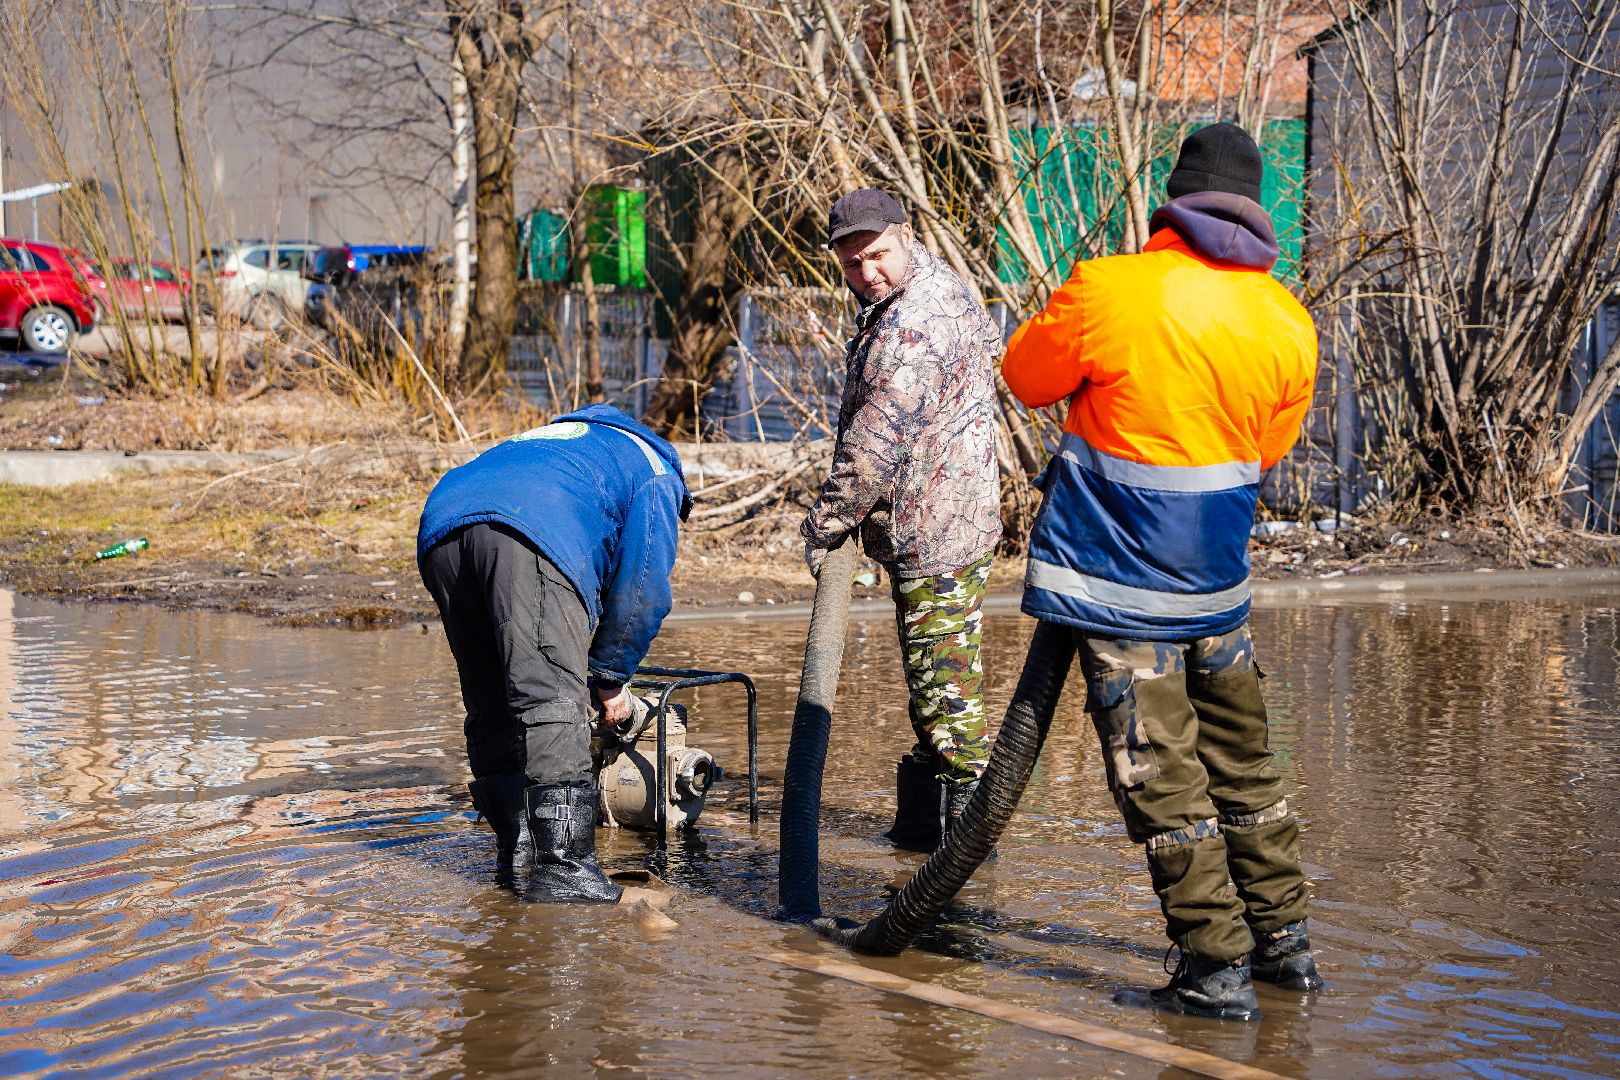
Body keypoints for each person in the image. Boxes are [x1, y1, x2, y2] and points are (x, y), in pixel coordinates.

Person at [1001, 122, 1322, 1018]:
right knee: (1246, 760)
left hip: (1114, 582)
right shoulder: (1288, 320)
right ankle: (1284, 945)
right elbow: (1264, 455)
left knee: (1160, 771)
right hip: (1218, 583)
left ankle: (1214, 969)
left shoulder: (1115, 288)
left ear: (1172, 199)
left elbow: (1026, 376)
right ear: (1256, 214)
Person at [417, 403, 691, 901]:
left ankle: (517, 850)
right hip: (531, 525)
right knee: (550, 701)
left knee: (493, 698)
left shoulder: (558, 440)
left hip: (443, 521)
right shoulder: (654, 468)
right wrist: (610, 680)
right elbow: (643, 591)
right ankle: (565, 867)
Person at [802, 188, 1004, 849]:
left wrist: (826, 526)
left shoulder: (910, 328)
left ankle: (961, 860)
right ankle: (923, 836)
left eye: (879, 256)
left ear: (905, 235)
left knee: (947, 693)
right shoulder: (934, 282)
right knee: (937, 682)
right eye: (853, 264)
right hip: (949, 512)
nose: (868, 275)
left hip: (937, 529)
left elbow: (873, 445)